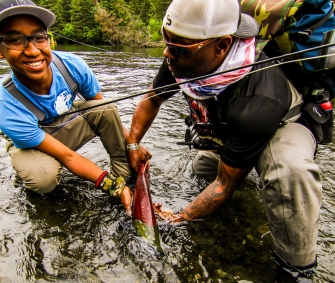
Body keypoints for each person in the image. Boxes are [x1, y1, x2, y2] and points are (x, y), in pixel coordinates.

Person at [126, 0, 322, 281]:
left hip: (281, 125)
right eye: (166, 40)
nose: (167, 53)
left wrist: (178, 218)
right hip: (231, 128)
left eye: (179, 47)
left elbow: (225, 183)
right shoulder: (183, 55)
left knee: (287, 173)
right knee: (201, 170)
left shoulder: (258, 98)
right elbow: (153, 98)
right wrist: (133, 144)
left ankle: (296, 267)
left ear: (222, 45)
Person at [0, 0, 149, 213]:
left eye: (38, 37)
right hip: (35, 144)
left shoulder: (71, 65)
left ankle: (124, 173)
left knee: (106, 108)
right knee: (43, 180)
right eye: (15, 40)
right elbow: (68, 156)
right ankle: (32, 164)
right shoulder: (7, 104)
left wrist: (132, 145)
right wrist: (113, 188)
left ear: (48, 39)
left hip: (65, 126)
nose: (33, 50)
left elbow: (104, 111)